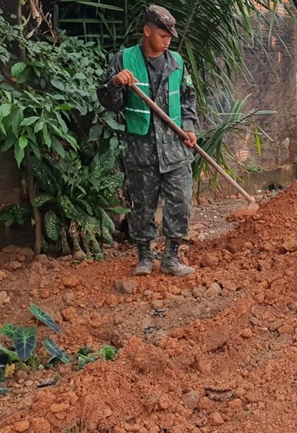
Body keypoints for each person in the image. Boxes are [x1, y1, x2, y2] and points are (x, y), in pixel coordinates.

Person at [97, 5, 199, 277]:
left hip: (175, 149)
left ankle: (171, 258)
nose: (167, 42)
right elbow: (109, 102)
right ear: (147, 31)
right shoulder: (124, 59)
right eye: (163, 36)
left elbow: (188, 98)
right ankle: (144, 258)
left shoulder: (177, 62)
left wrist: (189, 127)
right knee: (142, 207)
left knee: (180, 203)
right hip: (141, 151)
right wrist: (115, 83)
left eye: (170, 37)